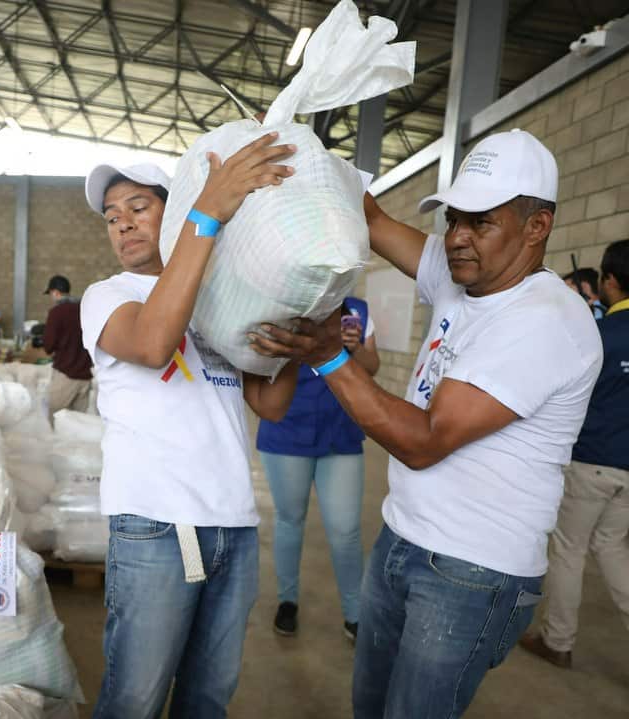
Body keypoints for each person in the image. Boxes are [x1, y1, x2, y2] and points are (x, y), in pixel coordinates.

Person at [249, 128, 602, 719]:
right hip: (403, 539)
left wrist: (327, 355)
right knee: (371, 706)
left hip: (469, 573)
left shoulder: (542, 321)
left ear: (537, 227)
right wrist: (299, 144)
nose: (458, 239)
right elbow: (374, 218)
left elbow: (424, 441)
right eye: (453, 220)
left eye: (480, 222)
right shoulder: (467, 274)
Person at [81, 135, 300, 719]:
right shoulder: (109, 296)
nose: (122, 225)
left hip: (235, 525)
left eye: (139, 208)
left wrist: (303, 332)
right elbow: (154, 344)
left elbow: (269, 401)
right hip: (157, 525)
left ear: (171, 211)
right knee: (135, 699)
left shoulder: (222, 298)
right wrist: (210, 211)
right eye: (112, 216)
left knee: (207, 699)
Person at [520, 239, 629, 668]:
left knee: (569, 549)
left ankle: (557, 641)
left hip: (592, 462)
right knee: (613, 548)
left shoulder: (600, 337)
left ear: (610, 281)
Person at [256, 297, 381, 641]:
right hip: (287, 428)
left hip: (340, 432)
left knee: (346, 530)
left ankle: (355, 613)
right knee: (289, 520)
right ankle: (287, 601)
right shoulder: (279, 303)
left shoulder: (355, 311)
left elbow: (372, 365)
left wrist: (355, 349)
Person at [42, 275, 94, 417]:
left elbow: (48, 346)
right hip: (85, 377)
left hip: (66, 375)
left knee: (53, 420)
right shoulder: (85, 309)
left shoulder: (57, 312)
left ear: (55, 292)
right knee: (76, 426)